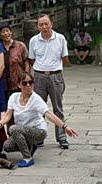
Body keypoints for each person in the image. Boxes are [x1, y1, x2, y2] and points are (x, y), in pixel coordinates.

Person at [0, 72, 78, 168]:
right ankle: (30, 147)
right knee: (7, 146)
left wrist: (64, 127)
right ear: (19, 85)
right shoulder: (14, 97)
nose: (28, 85)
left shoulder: (36, 99)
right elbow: (8, 115)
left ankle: (27, 157)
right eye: (24, 83)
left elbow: (48, 114)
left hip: (38, 132)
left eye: (30, 82)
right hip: (22, 131)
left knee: (13, 128)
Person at [29, 14, 71, 149]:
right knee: (38, 108)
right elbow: (31, 59)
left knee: (58, 108)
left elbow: (64, 58)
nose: (44, 27)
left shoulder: (60, 38)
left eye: (46, 23)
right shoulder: (33, 40)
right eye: (41, 24)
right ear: (37, 26)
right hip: (39, 76)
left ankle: (62, 137)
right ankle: (38, 137)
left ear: (51, 24)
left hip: (56, 76)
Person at [0, 25, 30, 100]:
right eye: (3, 32)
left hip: (19, 82)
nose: (6, 33)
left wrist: (26, 78)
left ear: (11, 32)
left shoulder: (20, 46)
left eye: (7, 31)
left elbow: (26, 62)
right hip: (4, 85)